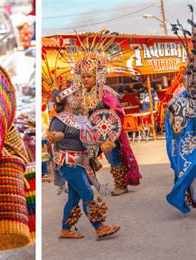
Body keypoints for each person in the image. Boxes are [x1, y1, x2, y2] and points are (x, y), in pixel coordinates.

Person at [49, 85, 120, 239]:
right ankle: (99, 227)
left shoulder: (80, 119)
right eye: (74, 95)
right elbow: (52, 135)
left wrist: (103, 145)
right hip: (69, 162)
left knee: (74, 197)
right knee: (87, 192)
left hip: (83, 161)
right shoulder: (59, 119)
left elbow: (92, 138)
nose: (78, 98)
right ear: (67, 101)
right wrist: (56, 136)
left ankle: (65, 229)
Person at [74, 52, 140, 196]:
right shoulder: (81, 95)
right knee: (84, 158)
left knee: (113, 158)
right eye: (83, 77)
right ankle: (84, 186)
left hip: (105, 133)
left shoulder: (105, 92)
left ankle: (121, 184)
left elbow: (114, 109)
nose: (85, 80)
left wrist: (108, 129)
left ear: (97, 77)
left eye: (89, 76)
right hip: (90, 134)